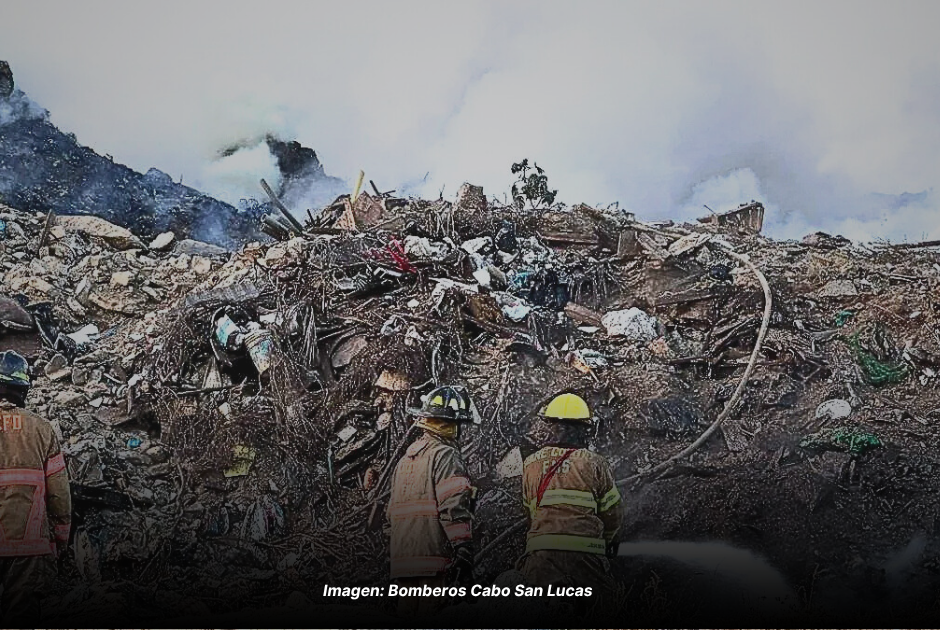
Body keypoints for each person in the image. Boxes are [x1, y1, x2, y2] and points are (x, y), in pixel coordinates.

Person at [518, 393, 622, 600]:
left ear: (551, 426)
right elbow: (612, 513)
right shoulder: (594, 463)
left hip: (541, 555)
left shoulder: (531, 463)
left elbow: (531, 512)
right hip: (585, 555)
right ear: (583, 429)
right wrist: (609, 541)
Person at [388, 385, 476, 617]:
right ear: (451, 423)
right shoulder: (445, 454)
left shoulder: (405, 461)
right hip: (433, 559)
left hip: (403, 561)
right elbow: (453, 505)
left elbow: (390, 515)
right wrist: (462, 546)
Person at [0, 350, 71, 626]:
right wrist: (61, 539)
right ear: (22, 388)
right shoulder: (42, 430)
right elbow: (59, 495)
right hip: (28, 549)